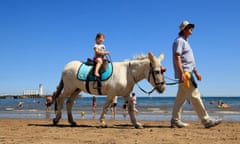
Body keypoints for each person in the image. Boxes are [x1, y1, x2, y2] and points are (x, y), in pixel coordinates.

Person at [171, 20, 222, 128]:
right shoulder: (179, 41)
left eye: (191, 27)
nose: (191, 29)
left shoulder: (186, 42)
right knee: (195, 96)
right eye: (189, 27)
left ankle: (175, 120)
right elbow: (177, 57)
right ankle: (206, 120)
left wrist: (196, 71)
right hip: (185, 74)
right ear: (183, 30)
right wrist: (182, 73)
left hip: (187, 72)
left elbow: (189, 60)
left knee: (180, 99)